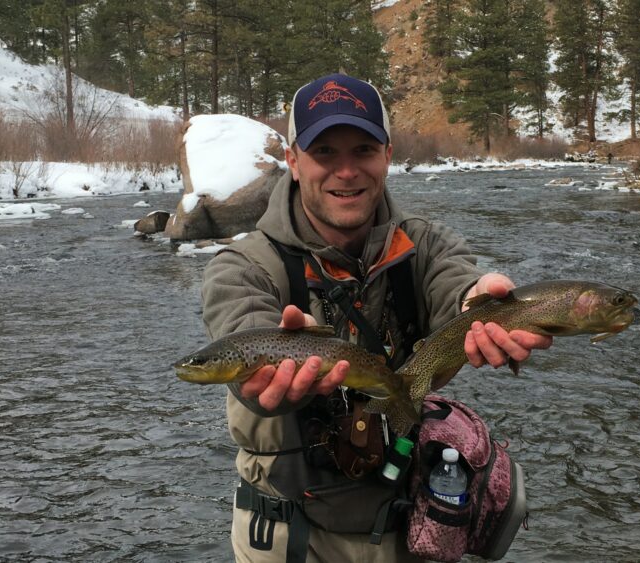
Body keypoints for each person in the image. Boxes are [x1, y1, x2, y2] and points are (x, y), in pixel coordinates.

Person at [200, 73, 552, 562]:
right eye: (325, 153)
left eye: (363, 150)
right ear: (293, 162)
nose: (346, 171)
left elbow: (454, 284)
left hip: (410, 532)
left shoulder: (427, 244)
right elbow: (241, 333)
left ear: (387, 156)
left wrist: (480, 304)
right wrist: (261, 375)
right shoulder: (241, 267)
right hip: (288, 541)